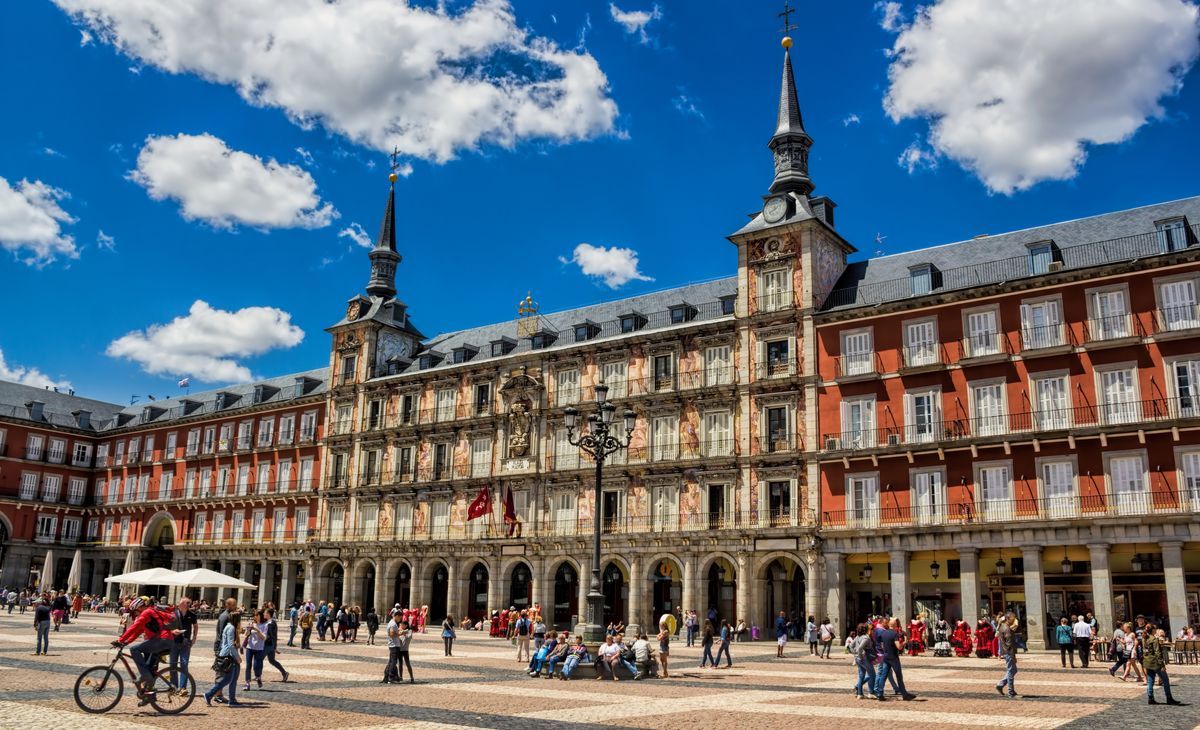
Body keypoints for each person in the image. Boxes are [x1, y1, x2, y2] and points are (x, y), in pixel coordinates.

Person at [113, 597, 176, 705]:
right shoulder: (148, 614)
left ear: (140, 608)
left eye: (136, 611)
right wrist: (125, 642)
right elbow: (138, 631)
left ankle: (145, 676)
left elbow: (133, 627)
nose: (136, 614)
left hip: (162, 640)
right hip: (162, 641)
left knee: (134, 650)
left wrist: (120, 639)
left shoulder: (147, 613)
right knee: (148, 669)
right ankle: (149, 697)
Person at [203, 611, 242, 707]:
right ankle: (209, 694)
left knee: (234, 678)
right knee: (227, 679)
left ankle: (232, 700)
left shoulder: (230, 627)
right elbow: (230, 645)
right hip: (229, 656)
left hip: (229, 655)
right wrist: (237, 657)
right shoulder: (231, 628)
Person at [873, 618, 916, 701]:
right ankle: (904, 694)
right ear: (895, 625)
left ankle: (880, 693)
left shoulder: (883, 633)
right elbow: (899, 647)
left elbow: (882, 645)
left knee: (883, 676)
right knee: (899, 676)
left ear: (889, 625)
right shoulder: (894, 634)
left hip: (886, 656)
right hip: (893, 657)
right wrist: (904, 642)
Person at [1143, 625, 1183, 705]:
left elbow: (1145, 650)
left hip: (1148, 662)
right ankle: (1169, 698)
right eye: (1155, 629)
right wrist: (1162, 665)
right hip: (1156, 663)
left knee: (1150, 681)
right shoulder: (1154, 639)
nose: (1156, 630)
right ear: (1153, 630)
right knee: (1165, 680)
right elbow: (1158, 653)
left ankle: (1150, 698)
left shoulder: (1144, 639)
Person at [169, 597, 198, 689]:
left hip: (186, 642)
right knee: (173, 664)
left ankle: (183, 688)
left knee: (184, 664)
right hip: (174, 642)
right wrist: (173, 631)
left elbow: (195, 626)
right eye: (184, 603)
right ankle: (174, 685)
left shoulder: (192, 615)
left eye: (187, 603)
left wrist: (194, 638)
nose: (187, 604)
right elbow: (167, 626)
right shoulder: (173, 614)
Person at [241, 609, 267, 691]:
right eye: (254, 615)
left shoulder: (264, 625)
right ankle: (247, 683)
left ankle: (258, 677)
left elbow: (263, 638)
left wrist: (257, 630)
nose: (255, 617)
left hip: (259, 648)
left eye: (257, 615)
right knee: (248, 666)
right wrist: (248, 630)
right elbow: (245, 634)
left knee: (256, 666)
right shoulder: (251, 624)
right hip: (250, 647)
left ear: (260, 616)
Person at [995, 612, 1019, 698]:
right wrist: (1013, 656)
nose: (1014, 620)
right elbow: (1009, 644)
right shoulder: (1007, 629)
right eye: (1013, 618)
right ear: (1008, 619)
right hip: (1008, 652)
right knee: (1011, 671)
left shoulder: (1003, 626)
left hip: (1005, 652)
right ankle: (1010, 691)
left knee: (1013, 670)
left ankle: (1000, 685)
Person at [850, 622, 876, 699]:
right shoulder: (866, 637)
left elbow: (851, 646)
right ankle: (870, 692)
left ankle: (860, 693)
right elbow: (860, 648)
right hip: (864, 658)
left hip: (857, 658)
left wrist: (855, 653)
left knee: (861, 675)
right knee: (872, 675)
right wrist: (860, 655)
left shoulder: (857, 637)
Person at [262, 608, 289, 683]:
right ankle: (284, 673)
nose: (264, 614)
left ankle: (258, 675)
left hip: (268, 644)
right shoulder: (269, 622)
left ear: (268, 614)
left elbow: (272, 636)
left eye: (265, 613)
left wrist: (274, 646)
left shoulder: (271, 623)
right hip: (270, 645)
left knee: (259, 659)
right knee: (272, 660)